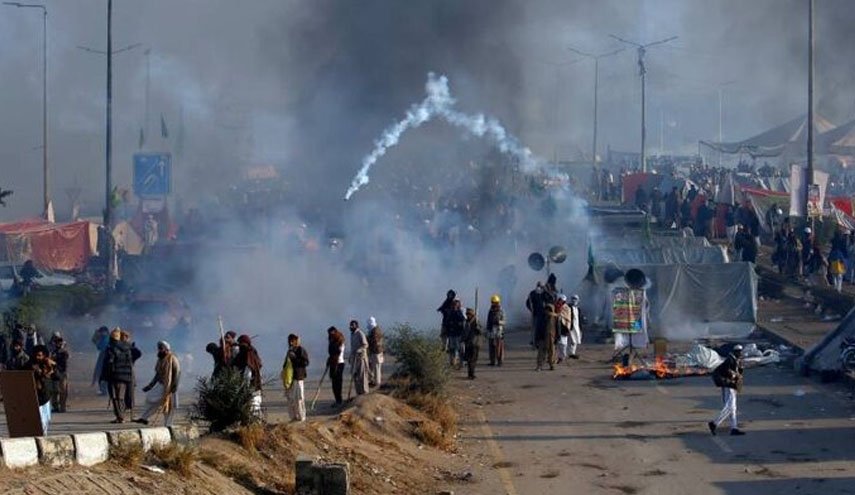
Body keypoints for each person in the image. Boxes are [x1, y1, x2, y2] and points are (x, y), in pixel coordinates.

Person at [135, 341, 180, 426]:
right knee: (151, 399)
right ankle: (144, 418)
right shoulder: (160, 359)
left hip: (170, 386)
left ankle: (168, 425)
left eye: (161, 348)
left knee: (169, 406)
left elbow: (177, 372)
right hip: (161, 385)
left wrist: (174, 386)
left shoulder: (172, 358)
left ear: (166, 349)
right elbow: (158, 374)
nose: (159, 350)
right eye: (159, 348)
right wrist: (150, 385)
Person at [708, 344, 746, 436]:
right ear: (735, 351)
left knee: (733, 408)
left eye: (741, 351)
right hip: (729, 386)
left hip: (732, 386)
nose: (740, 353)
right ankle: (714, 423)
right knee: (729, 407)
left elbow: (739, 371)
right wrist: (734, 375)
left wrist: (740, 369)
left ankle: (734, 428)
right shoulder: (730, 360)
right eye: (739, 352)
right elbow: (727, 372)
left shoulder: (736, 360)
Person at [102, 328, 135, 423]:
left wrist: (105, 375)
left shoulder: (111, 348)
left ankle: (120, 417)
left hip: (115, 376)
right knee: (121, 397)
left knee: (116, 397)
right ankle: (121, 416)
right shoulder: (128, 347)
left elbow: (108, 363)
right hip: (126, 376)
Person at [27, 344, 57, 434]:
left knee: (46, 420)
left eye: (40, 355)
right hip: (36, 398)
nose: (38, 357)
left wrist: (53, 367)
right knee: (39, 421)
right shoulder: (29, 365)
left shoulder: (48, 365)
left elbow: (57, 377)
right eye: (37, 355)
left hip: (46, 398)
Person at [235, 334, 264, 416]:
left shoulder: (249, 353)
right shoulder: (245, 352)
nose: (240, 345)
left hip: (252, 384)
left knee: (254, 404)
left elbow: (249, 371)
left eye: (241, 343)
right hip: (251, 383)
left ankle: (255, 424)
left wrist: (246, 385)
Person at [283, 334, 309, 422]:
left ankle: (302, 417)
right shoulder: (289, 351)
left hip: (298, 377)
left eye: (293, 340)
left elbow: (305, 362)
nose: (291, 342)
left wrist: (295, 358)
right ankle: (293, 417)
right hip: (290, 379)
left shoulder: (301, 350)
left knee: (299, 398)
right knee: (291, 399)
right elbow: (286, 364)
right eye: (290, 340)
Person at [121, 330, 143, 414]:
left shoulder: (129, 347)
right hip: (122, 371)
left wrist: (131, 347)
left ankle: (129, 407)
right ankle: (126, 407)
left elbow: (138, 353)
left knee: (129, 391)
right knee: (124, 392)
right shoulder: (120, 347)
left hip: (128, 371)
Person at [48, 332, 70, 413]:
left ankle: (62, 407)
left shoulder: (64, 351)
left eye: (60, 341)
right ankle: (55, 406)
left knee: (63, 391)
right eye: (57, 341)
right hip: (54, 372)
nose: (59, 343)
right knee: (54, 390)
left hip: (62, 373)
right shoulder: (53, 350)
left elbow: (65, 359)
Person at [349, 320, 370, 396]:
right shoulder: (352, 334)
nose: (351, 327)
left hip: (361, 358)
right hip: (354, 358)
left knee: (362, 376)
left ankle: (365, 393)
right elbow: (352, 347)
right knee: (355, 376)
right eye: (350, 325)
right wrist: (350, 357)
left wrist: (359, 350)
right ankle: (359, 393)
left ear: (356, 326)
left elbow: (365, 345)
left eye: (353, 325)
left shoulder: (360, 333)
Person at [327, 326, 346, 406]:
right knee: (334, 384)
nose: (330, 335)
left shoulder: (340, 341)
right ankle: (337, 400)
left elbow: (338, 352)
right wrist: (329, 360)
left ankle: (339, 400)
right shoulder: (332, 340)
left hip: (339, 364)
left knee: (338, 383)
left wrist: (332, 358)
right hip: (333, 363)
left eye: (332, 333)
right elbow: (331, 353)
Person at [535, 303, 557, 371]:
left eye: (549, 310)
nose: (548, 311)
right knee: (541, 353)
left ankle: (552, 365)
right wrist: (537, 339)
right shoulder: (541, 318)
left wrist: (557, 338)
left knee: (552, 353)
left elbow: (557, 329)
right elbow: (538, 329)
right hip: (542, 337)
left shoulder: (555, 318)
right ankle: (539, 366)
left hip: (552, 338)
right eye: (547, 310)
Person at [486, 294, 505, 366]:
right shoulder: (490, 311)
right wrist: (487, 330)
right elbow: (488, 321)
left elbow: (504, 321)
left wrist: (499, 322)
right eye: (492, 302)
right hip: (491, 331)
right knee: (491, 347)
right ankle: (492, 361)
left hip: (498, 331)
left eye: (494, 302)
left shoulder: (501, 311)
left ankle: (500, 361)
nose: (493, 304)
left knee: (499, 347)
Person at [445, 300, 466, 368]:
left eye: (456, 305)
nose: (454, 306)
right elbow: (447, 323)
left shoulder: (459, 312)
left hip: (458, 334)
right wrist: (447, 332)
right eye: (453, 305)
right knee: (452, 349)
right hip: (452, 334)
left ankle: (461, 363)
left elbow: (463, 322)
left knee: (459, 349)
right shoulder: (450, 313)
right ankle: (453, 362)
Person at [462, 307, 482, 379]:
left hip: (475, 343)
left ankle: (471, 373)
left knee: (473, 359)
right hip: (469, 343)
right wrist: (463, 340)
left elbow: (481, 332)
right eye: (467, 314)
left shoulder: (476, 321)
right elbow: (465, 332)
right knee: (470, 360)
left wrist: (477, 328)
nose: (468, 316)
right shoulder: (466, 322)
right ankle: (470, 374)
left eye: (469, 314)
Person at [525, 283, 547, 347]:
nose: (539, 287)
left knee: (541, 328)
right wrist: (531, 310)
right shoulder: (532, 293)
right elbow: (528, 303)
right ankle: (533, 341)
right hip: (535, 314)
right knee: (534, 328)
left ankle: (540, 340)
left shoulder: (544, 293)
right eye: (539, 286)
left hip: (543, 314)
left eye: (541, 286)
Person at [91, 326, 110, 395]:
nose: (101, 333)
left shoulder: (106, 338)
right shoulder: (105, 338)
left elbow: (99, 346)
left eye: (102, 332)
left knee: (101, 373)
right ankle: (104, 390)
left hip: (105, 356)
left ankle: (104, 390)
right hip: (105, 356)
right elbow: (94, 341)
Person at [366, 317, 384, 388]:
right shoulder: (377, 329)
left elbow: (375, 341)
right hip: (378, 351)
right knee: (376, 368)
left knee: (376, 368)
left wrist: (367, 339)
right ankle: (375, 381)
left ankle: (377, 383)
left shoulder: (375, 331)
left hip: (376, 352)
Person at [555, 295, 570, 363]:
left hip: (564, 326)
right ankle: (556, 357)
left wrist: (561, 315)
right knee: (557, 343)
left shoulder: (567, 308)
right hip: (557, 326)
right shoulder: (555, 306)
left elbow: (568, 318)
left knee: (563, 343)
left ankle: (562, 356)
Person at [567, 295, 583, 359]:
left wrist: (580, 327)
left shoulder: (578, 309)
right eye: (573, 299)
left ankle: (572, 353)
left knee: (576, 340)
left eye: (576, 299)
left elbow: (579, 318)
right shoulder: (569, 307)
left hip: (577, 326)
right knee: (572, 340)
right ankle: (570, 353)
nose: (574, 300)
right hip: (571, 326)